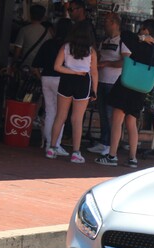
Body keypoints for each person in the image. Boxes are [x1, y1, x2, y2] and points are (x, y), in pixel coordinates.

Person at [95, 19, 154, 168]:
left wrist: (142, 38)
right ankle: (132, 158)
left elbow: (124, 35)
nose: (139, 31)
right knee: (131, 123)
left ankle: (112, 155)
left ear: (146, 31)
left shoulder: (138, 44)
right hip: (140, 89)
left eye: (142, 29)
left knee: (117, 121)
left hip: (126, 85)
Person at [46, 21, 98, 163]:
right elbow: (94, 72)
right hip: (83, 80)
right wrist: (94, 90)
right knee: (77, 119)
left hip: (67, 80)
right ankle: (75, 152)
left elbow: (57, 66)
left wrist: (71, 71)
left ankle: (51, 148)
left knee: (60, 116)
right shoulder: (91, 51)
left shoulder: (66, 47)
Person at [88, 12, 131, 156]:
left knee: (110, 114)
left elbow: (126, 62)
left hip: (114, 82)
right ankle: (103, 141)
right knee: (102, 113)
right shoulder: (105, 41)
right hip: (100, 80)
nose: (104, 24)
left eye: (106, 21)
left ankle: (110, 144)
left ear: (114, 23)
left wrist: (108, 63)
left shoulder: (122, 41)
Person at [32, 18, 72, 156]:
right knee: (61, 114)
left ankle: (49, 143)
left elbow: (35, 64)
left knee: (50, 112)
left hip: (46, 78)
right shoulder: (68, 46)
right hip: (62, 79)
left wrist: (40, 77)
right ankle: (55, 144)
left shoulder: (48, 43)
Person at [13, 4, 51, 68]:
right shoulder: (47, 33)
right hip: (39, 68)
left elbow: (17, 51)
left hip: (25, 67)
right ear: (43, 17)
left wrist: (13, 65)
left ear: (30, 15)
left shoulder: (24, 30)